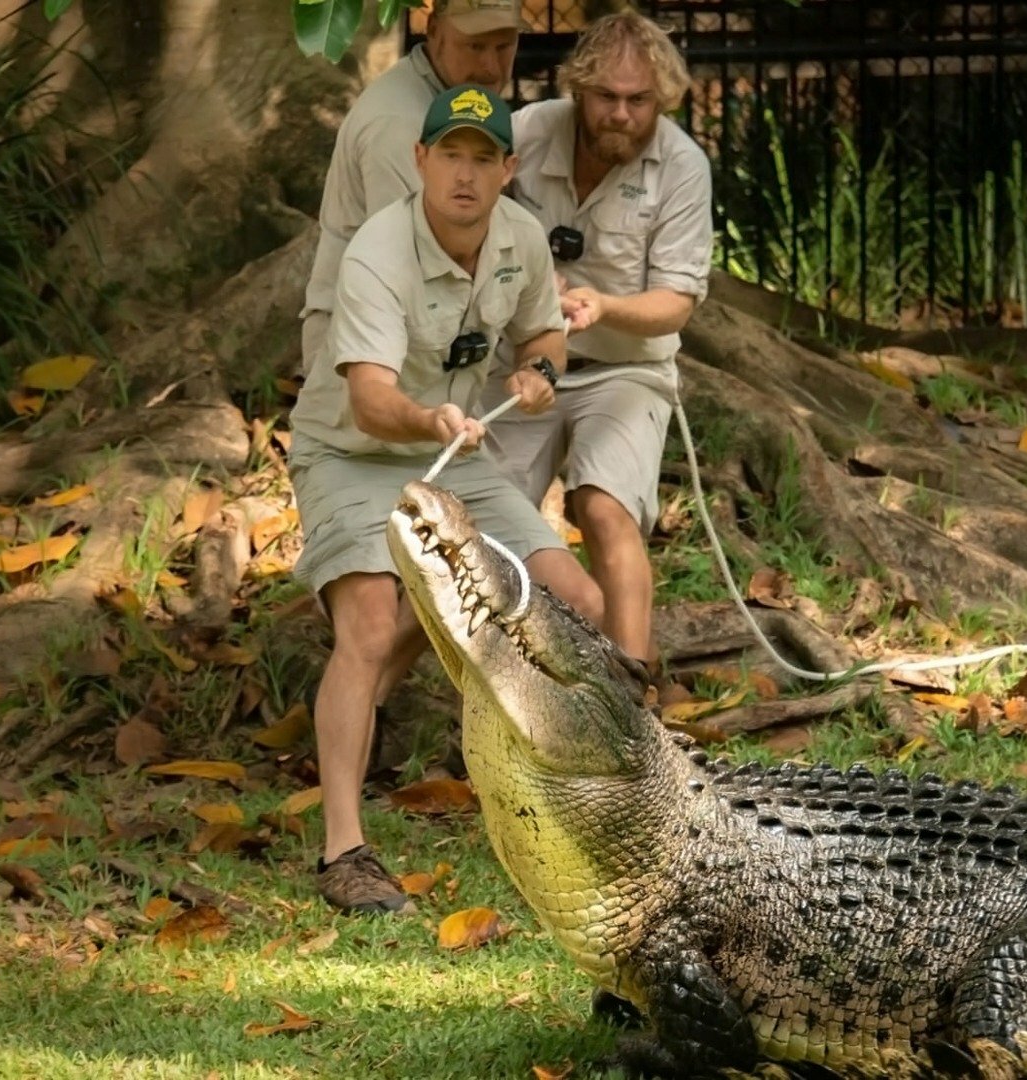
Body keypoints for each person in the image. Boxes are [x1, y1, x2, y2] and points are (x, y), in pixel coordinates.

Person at [287, 85, 604, 914]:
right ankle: (344, 852)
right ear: (422, 160)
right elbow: (367, 400)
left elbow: (544, 335)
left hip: (451, 451)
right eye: (449, 155)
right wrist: (431, 418)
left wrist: (538, 372)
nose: (464, 176)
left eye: (481, 159)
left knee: (575, 598)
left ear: (508, 169)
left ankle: (581, 804)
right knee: (368, 619)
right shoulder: (376, 253)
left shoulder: (521, 238)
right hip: (354, 452)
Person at [485, 11, 713, 671]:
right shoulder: (526, 133)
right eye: (606, 97)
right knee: (486, 521)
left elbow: (676, 303)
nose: (621, 114)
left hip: (625, 369)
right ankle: (481, 688)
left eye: (638, 101)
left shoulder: (682, 167)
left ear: (661, 101)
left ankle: (632, 695)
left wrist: (605, 306)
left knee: (604, 506)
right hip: (525, 363)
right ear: (577, 89)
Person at [299, 0, 527, 376]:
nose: (490, 67)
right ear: (434, 30)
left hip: (418, 342)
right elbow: (423, 265)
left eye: (504, 46)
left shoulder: (453, 99)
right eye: (475, 46)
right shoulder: (400, 125)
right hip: (364, 355)